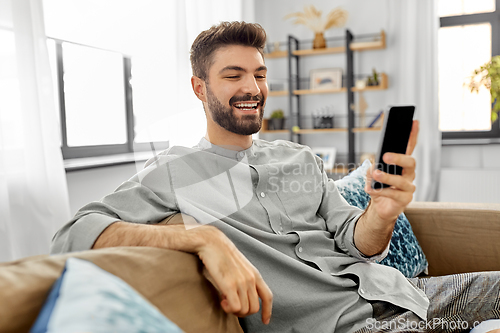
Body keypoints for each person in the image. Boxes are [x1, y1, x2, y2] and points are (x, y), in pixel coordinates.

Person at [51, 22, 500, 333]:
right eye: (234, 75)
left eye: (260, 74)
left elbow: (355, 240)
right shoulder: (173, 171)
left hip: (404, 295)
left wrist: (382, 214)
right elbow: (72, 234)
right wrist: (202, 239)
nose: (253, 88)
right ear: (199, 88)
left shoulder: (300, 158)